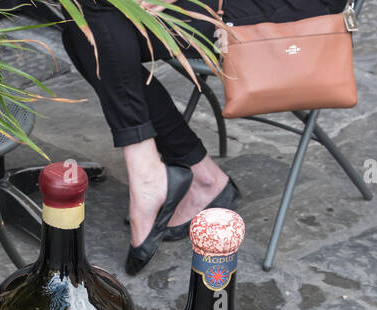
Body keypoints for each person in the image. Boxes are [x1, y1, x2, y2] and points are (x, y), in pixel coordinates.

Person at [61, 0, 343, 273]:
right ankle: (195, 174)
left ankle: (155, 173)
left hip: (295, 10)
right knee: (82, 20)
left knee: (93, 21)